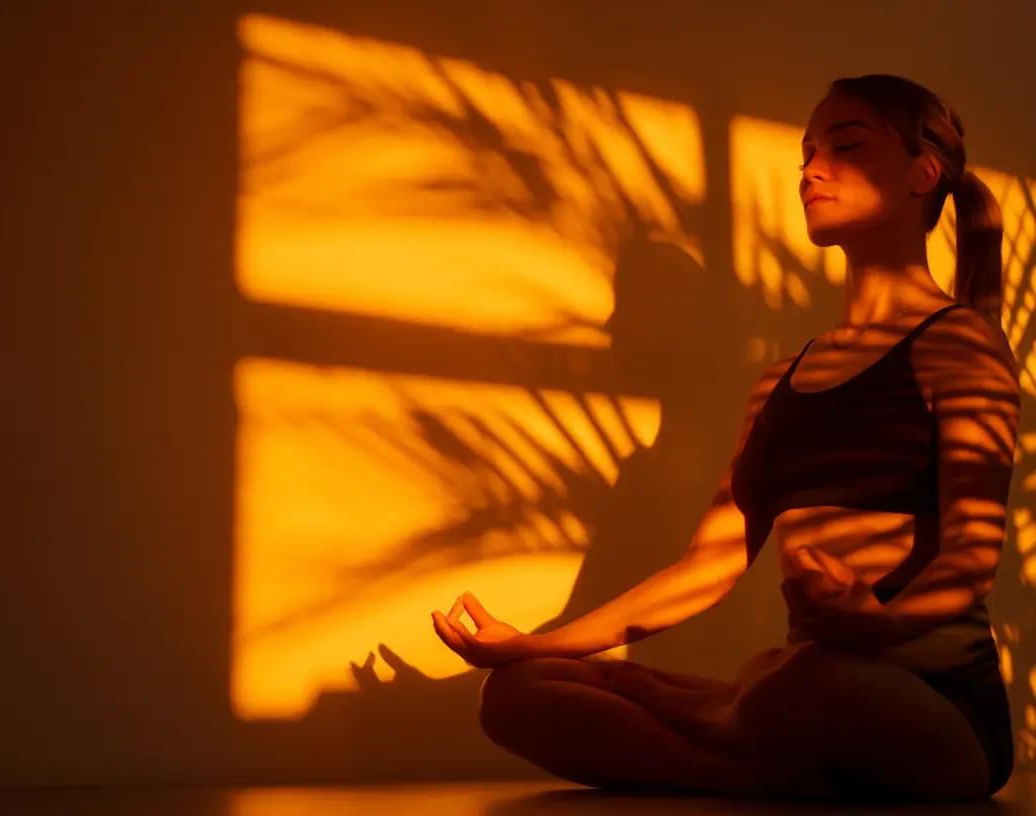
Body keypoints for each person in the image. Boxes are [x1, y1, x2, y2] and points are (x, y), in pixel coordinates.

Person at [430, 74, 1020, 802]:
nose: (810, 169)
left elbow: (971, 555)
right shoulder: (782, 381)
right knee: (517, 694)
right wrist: (530, 645)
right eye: (806, 152)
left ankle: (734, 727)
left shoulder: (958, 343)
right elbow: (705, 567)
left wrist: (882, 625)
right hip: (796, 696)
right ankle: (762, 770)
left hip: (928, 705)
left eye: (846, 145)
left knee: (803, 679)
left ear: (923, 174)